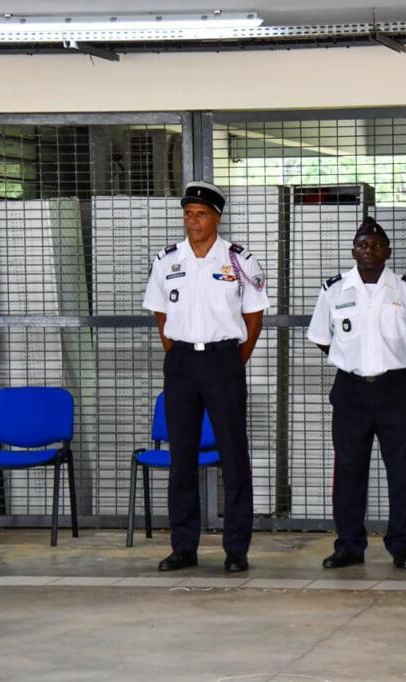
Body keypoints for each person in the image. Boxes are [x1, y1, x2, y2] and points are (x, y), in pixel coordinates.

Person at [142, 181, 268, 573]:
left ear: (216, 218)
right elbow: (161, 314)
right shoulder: (167, 260)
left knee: (233, 455)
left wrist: (232, 361)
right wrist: (179, 351)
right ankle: (183, 547)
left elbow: (254, 318)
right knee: (181, 457)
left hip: (223, 361)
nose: (192, 221)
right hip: (181, 362)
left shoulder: (239, 261)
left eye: (200, 214)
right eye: (187, 214)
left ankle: (236, 549)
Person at [306, 217, 406, 570]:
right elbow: (323, 338)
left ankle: (404, 546)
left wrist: (390, 361)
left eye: (377, 245)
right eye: (362, 245)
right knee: (349, 471)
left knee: (403, 472)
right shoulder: (334, 290)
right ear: (353, 251)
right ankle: (349, 545)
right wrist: (353, 360)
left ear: (388, 251)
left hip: (394, 390)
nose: (369, 251)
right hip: (351, 391)